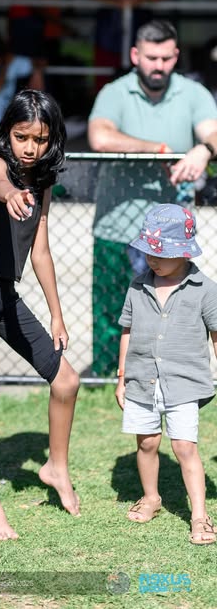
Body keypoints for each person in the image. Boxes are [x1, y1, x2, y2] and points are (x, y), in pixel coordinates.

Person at [0, 90, 80, 540]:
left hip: (8, 295)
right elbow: (0, 182)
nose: (30, 146)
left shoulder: (43, 182)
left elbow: (41, 251)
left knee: (67, 381)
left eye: (41, 139)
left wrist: (57, 315)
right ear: (7, 133)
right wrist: (8, 194)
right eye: (22, 136)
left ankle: (56, 467)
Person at [88, 19, 217, 376]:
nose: (158, 66)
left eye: (165, 58)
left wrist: (203, 150)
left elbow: (214, 132)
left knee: (172, 309)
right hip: (118, 224)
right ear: (135, 55)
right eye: (151, 57)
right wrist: (159, 150)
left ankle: (166, 373)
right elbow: (100, 136)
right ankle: (105, 375)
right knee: (112, 310)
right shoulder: (115, 92)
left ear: (176, 56)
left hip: (173, 232)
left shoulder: (194, 94)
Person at [115, 203, 217, 545]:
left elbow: (216, 334)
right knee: (146, 442)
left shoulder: (204, 289)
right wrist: (121, 376)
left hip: (183, 382)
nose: (151, 259)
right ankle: (152, 497)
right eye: (148, 252)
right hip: (142, 379)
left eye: (160, 253)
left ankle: (199, 515)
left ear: (184, 254)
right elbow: (126, 331)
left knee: (184, 447)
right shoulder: (137, 285)